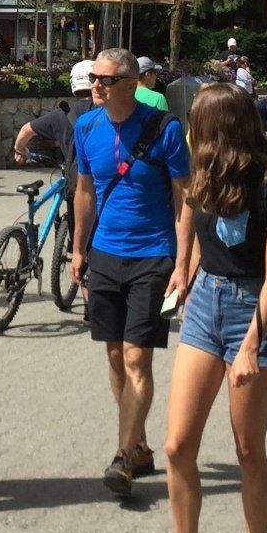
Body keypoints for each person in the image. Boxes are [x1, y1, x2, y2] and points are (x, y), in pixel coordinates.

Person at [143, 83, 267, 533]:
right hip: (206, 303)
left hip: (254, 312)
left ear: (219, 127)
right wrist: (182, 269)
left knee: (247, 450)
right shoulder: (205, 172)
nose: (190, 129)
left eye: (197, 122)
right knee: (177, 446)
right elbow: (189, 210)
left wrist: (253, 342)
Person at [71, 47, 191, 500]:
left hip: (154, 256)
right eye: (93, 78)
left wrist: (182, 265)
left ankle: (122, 457)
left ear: (130, 83)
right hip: (104, 254)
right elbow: (84, 190)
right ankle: (138, 445)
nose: (94, 85)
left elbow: (185, 198)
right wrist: (78, 249)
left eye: (103, 79)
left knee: (139, 357)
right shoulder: (86, 127)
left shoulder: (165, 129)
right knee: (115, 356)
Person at [12, 58, 97, 177]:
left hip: (75, 179)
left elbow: (26, 130)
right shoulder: (107, 111)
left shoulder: (62, 113)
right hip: (102, 179)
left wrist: (20, 150)